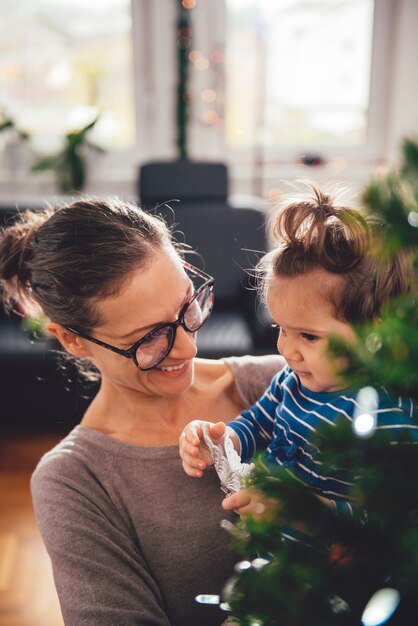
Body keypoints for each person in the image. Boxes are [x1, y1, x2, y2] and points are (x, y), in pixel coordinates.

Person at [0, 197, 283, 626]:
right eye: (149, 337)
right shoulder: (74, 483)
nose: (189, 346)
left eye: (188, 304)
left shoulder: (280, 383)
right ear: (72, 340)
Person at [179, 185, 418, 520]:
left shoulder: (385, 416)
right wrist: (221, 441)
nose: (287, 351)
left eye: (308, 336)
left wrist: (303, 512)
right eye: (280, 329)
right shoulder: (289, 381)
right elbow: (257, 424)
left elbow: (388, 525)